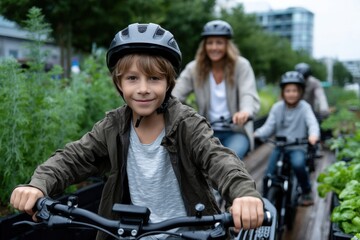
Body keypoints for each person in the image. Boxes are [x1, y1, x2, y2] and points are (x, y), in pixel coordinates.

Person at [10, 23, 264, 240]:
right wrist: (38, 185)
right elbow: (73, 157)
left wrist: (243, 194)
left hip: (187, 234)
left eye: (154, 78)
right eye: (132, 78)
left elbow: (219, 160)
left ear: (169, 83)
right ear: (119, 83)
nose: (143, 89)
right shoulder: (113, 126)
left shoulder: (186, 124)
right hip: (130, 233)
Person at [172, 20, 260, 160]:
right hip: (206, 131)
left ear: (227, 45)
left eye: (219, 42)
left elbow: (247, 93)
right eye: (210, 43)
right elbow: (175, 94)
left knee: (229, 163)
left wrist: (245, 111)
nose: (214, 47)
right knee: (195, 163)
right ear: (204, 46)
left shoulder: (241, 66)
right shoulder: (194, 68)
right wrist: (187, 114)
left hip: (235, 131)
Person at [254, 71, 320, 206]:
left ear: (301, 92)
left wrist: (313, 135)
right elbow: (269, 126)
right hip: (280, 146)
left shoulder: (305, 107)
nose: (291, 94)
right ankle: (265, 202)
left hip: (297, 146)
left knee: (298, 164)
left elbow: (312, 123)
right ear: (283, 92)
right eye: (288, 90)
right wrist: (257, 134)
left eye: (295, 90)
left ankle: (306, 190)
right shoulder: (277, 108)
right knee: (269, 174)